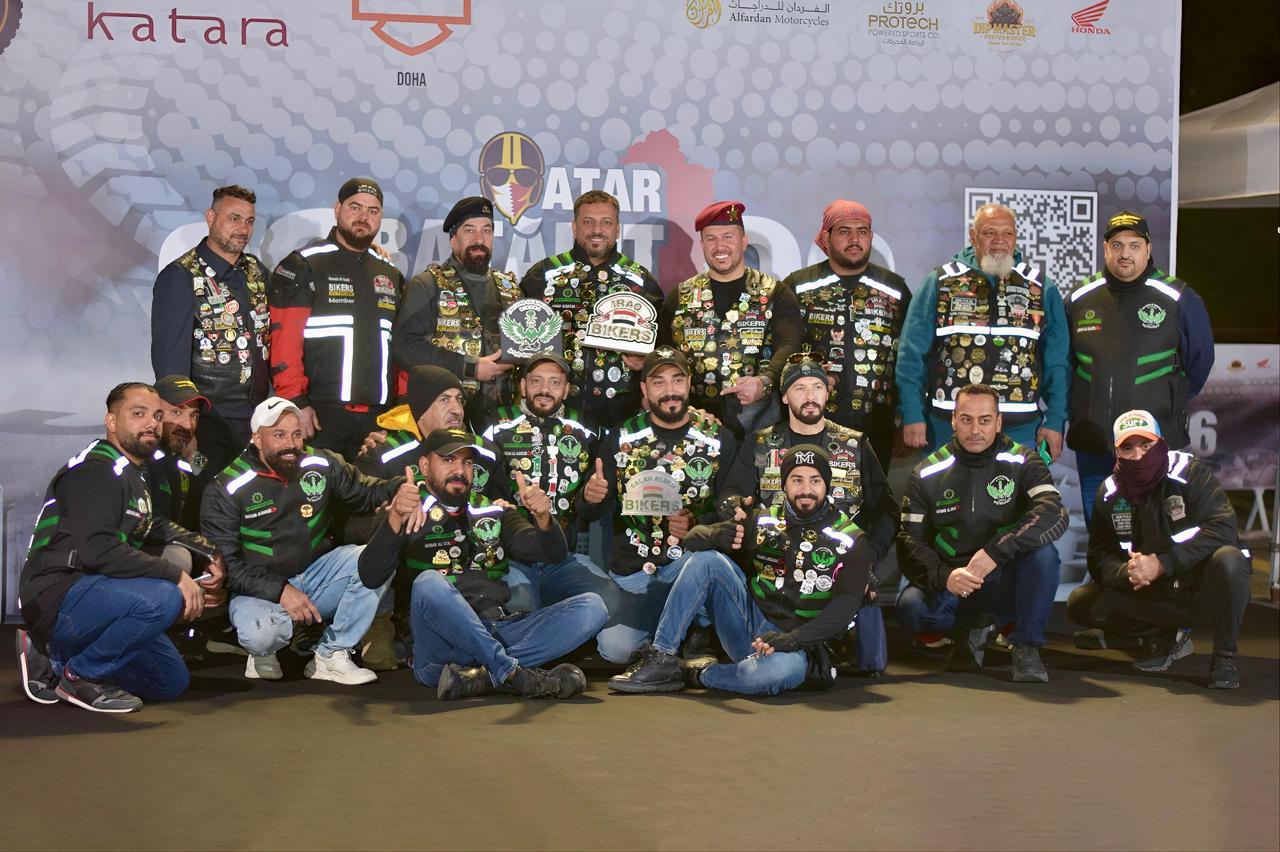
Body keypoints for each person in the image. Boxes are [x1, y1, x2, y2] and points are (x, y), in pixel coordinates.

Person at [16, 382, 224, 712]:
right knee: (166, 595)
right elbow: (98, 550)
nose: (152, 423)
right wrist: (176, 577)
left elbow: (151, 523)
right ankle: (80, 676)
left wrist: (207, 549)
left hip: (97, 585)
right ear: (111, 421)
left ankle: (54, 655)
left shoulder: (138, 470)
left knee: (169, 681)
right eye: (139, 414)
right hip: (59, 592)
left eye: (157, 416)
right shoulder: (96, 470)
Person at [356, 428, 606, 700]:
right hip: (439, 646)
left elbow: (551, 553)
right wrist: (395, 517)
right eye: (448, 460)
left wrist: (544, 518)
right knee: (429, 582)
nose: (459, 470)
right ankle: (513, 674)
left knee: (592, 607)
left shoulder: (491, 510)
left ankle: (482, 676)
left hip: (496, 627)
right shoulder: (407, 509)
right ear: (425, 466)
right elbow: (370, 575)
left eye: (467, 462)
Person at [610, 445, 874, 695]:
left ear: (827, 484)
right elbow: (691, 540)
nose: (806, 489)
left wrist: (793, 639)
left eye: (815, 480)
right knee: (706, 560)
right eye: (797, 480)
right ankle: (662, 658)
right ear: (784, 484)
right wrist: (713, 535)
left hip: (799, 645)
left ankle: (698, 675)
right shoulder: (763, 519)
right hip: (747, 626)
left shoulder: (852, 538)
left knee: (775, 675)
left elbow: (844, 610)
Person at [200, 396, 404, 684]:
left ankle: (331, 653)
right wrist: (281, 590)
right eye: (279, 435)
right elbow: (227, 566)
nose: (291, 444)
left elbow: (365, 491)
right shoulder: (226, 487)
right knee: (261, 635)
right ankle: (263, 651)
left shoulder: (321, 462)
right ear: (257, 438)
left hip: (317, 576)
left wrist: (403, 487)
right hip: (259, 590)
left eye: (296, 434)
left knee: (377, 559)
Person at [722, 356, 899, 672]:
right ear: (784, 396)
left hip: (836, 570)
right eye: (800, 388)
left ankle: (826, 647)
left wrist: (867, 559)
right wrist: (735, 507)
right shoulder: (760, 443)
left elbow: (886, 511)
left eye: (817, 387)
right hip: (772, 572)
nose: (810, 395)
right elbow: (731, 498)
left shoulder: (854, 444)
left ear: (827, 392)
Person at [578, 348, 740, 664]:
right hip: (635, 572)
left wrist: (697, 525)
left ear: (689, 383)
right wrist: (589, 496)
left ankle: (696, 629)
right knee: (615, 650)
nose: (669, 391)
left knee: (706, 562)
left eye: (677, 380)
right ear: (644, 388)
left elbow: (731, 509)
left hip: (688, 565)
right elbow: (588, 512)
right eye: (658, 382)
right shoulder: (621, 438)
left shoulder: (718, 438)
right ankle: (668, 635)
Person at [896, 384, 1068, 682]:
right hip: (956, 581)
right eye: (966, 419)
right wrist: (945, 576)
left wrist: (996, 551)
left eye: (985, 420)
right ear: (953, 420)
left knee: (1044, 555)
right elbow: (909, 540)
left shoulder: (1024, 460)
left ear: (998, 422)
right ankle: (968, 627)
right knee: (913, 609)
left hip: (1004, 576)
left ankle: (1026, 646)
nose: (975, 429)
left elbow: (1053, 512)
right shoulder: (926, 472)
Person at [1067, 410, 1251, 689]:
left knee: (1230, 560)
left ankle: (1225, 656)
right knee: (1082, 603)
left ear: (1161, 443)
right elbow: (1098, 555)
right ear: (1116, 452)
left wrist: (1162, 563)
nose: (1138, 455)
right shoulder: (1109, 492)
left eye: (1146, 445)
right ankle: (1161, 632)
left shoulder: (1190, 472)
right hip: (1151, 591)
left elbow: (1224, 528)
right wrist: (1126, 572)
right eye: (1128, 448)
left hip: (1198, 587)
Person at [1067, 211, 1216, 523]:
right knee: (1102, 532)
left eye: (1134, 245)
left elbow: (1200, 361)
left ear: (1148, 249)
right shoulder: (1080, 297)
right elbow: (1064, 364)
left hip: (1153, 445)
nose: (1125, 253)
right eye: (1117, 245)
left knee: (1157, 531)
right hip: (1094, 444)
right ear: (1105, 249)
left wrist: (1169, 400)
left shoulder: (1178, 296)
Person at [897, 204, 1069, 457]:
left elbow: (1058, 363)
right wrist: (912, 413)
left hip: (1020, 429)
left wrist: (1055, 420)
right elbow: (911, 355)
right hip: (947, 427)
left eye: (1007, 233)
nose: (1000, 241)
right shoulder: (940, 282)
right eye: (990, 233)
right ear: (973, 236)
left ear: (1016, 237)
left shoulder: (1041, 287)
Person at [480, 351, 621, 633]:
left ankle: (549, 635)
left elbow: (590, 507)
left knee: (610, 601)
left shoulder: (587, 430)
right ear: (523, 386)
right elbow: (481, 490)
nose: (545, 389)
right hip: (511, 557)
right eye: (536, 381)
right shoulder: (494, 426)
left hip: (563, 557)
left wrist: (590, 498)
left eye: (555, 382)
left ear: (566, 389)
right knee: (520, 607)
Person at [268, 177, 404, 459]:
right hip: (319, 415)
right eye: (355, 207)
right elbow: (284, 341)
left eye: (373, 211)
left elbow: (402, 348)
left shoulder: (390, 273)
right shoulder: (304, 263)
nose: (363, 217)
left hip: (379, 420)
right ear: (337, 209)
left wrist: (401, 409)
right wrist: (296, 402)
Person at [150, 185, 270, 475]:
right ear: (211, 218)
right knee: (204, 495)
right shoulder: (181, 276)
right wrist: (184, 427)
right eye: (234, 218)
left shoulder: (256, 271)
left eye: (250, 221)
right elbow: (169, 363)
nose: (243, 229)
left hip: (255, 419)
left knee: (249, 497)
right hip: (208, 421)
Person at [782, 200, 912, 468]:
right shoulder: (799, 286)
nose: (854, 239)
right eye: (844, 231)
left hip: (877, 422)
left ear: (871, 237)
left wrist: (906, 416)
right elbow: (781, 349)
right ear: (826, 237)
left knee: (874, 493)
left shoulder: (894, 289)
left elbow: (910, 357)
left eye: (862, 231)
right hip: (812, 420)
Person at [520, 190, 663, 427]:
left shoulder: (640, 281)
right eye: (588, 222)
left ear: (617, 229)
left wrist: (646, 359)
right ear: (574, 227)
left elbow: (663, 348)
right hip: (553, 411)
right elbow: (518, 343)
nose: (597, 230)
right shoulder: (543, 275)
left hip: (619, 413)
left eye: (606, 222)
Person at [660, 200, 803, 436]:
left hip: (759, 423)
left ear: (744, 241)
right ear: (702, 244)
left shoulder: (775, 292)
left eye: (728, 236)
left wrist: (765, 382)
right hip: (695, 424)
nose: (719, 246)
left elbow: (789, 344)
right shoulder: (681, 295)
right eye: (711, 239)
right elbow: (663, 351)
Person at [392, 196, 521, 425]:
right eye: (469, 230)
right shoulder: (428, 285)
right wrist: (470, 367)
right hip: (445, 417)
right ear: (453, 240)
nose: (479, 239)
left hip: (503, 416)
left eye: (487, 230)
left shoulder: (510, 288)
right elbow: (405, 348)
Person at [146, 375, 210, 531]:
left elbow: (206, 493)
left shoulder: (181, 455)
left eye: (194, 415)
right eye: (176, 412)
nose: (187, 425)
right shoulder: (140, 458)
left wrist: (194, 456)